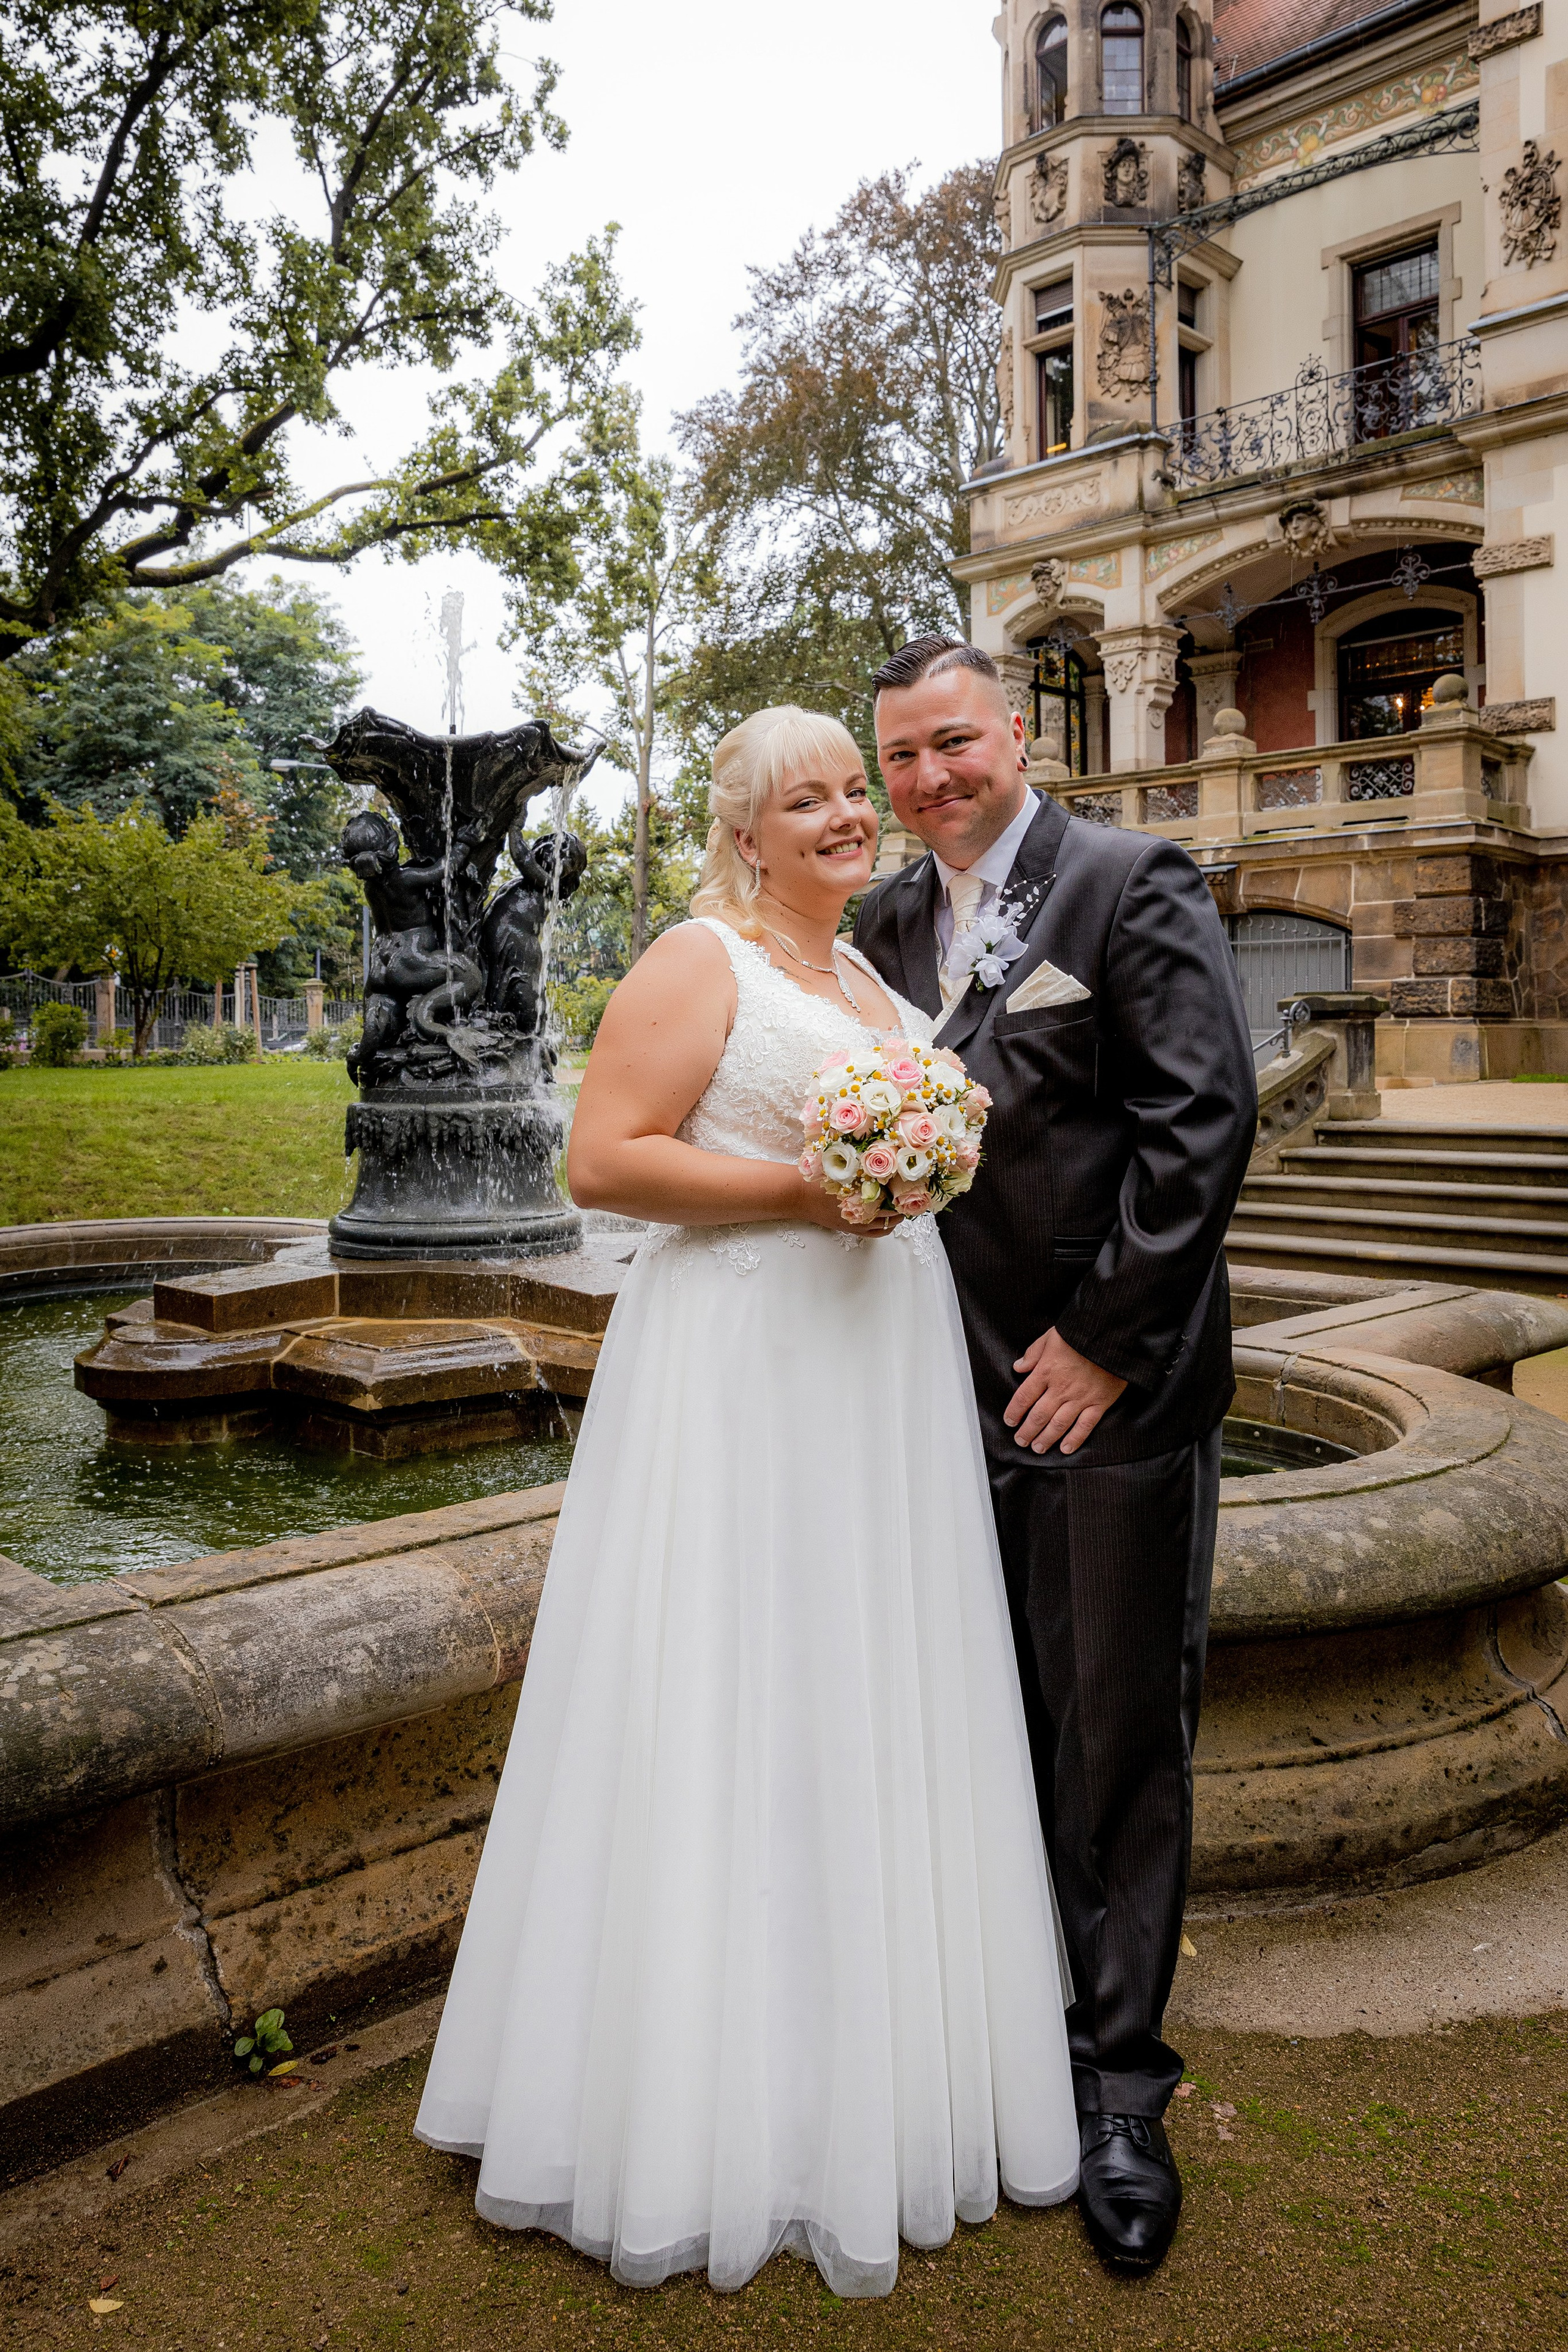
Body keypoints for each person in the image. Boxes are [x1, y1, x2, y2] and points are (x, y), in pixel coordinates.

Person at [414, 706, 1080, 2296]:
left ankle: (875, 2076)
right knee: (729, 1684)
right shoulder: (697, 959)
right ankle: (690, 2102)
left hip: (877, 1371)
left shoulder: (873, 984)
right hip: (744, 1366)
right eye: (809, 801)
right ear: (745, 831)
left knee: (865, 1689)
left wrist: (912, 1177)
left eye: (857, 789)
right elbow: (602, 1160)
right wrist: (809, 1187)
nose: (851, 814)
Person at [855, 636, 1256, 2273]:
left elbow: (1201, 1125)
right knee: (974, 1721)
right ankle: (997, 2029)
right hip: (927, 1394)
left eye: (954, 742)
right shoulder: (881, 924)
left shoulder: (1129, 882)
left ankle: (1119, 2090)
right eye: (901, 757)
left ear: (1017, 733)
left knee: (1113, 1737)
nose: (930, 778)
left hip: (1105, 1392)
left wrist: (1104, 1340)